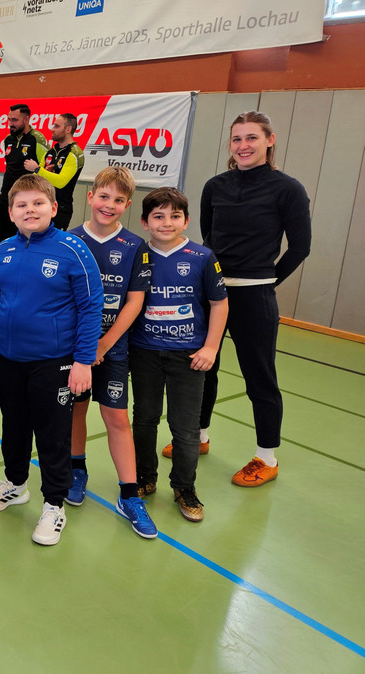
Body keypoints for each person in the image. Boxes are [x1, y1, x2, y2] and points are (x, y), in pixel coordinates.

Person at [0, 174, 102, 547]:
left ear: (54, 208)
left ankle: (54, 504)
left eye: (38, 203)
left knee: (52, 434)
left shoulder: (73, 250)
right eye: (22, 205)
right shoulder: (3, 251)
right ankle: (15, 483)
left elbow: (91, 306)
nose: (30, 210)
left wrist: (83, 361)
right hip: (6, 358)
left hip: (54, 361)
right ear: (11, 212)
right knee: (13, 425)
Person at [195, 111, 312, 488]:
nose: (243, 146)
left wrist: (265, 280)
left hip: (255, 296)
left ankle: (266, 457)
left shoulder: (288, 189)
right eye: (237, 139)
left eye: (252, 138)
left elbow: (300, 247)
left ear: (269, 140)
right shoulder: (215, 186)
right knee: (202, 368)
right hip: (212, 293)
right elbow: (209, 236)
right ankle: (198, 436)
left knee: (259, 377)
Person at [66, 167, 157, 539]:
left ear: (127, 205)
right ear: (91, 197)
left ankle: (129, 494)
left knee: (117, 418)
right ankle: (77, 470)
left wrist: (103, 344)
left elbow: (134, 302)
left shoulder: (136, 247)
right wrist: (84, 347)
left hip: (113, 349)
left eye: (118, 200)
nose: (109, 205)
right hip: (74, 349)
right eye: (104, 196)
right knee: (76, 409)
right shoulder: (69, 240)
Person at [132, 188, 228, 522]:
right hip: (144, 352)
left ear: (186, 221)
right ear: (145, 222)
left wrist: (211, 347)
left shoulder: (202, 257)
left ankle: (184, 487)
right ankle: (144, 477)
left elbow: (219, 304)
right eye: (158, 216)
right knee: (144, 418)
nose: (166, 223)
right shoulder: (137, 255)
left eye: (175, 216)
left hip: (189, 355)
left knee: (185, 428)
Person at [0, 104, 48, 242]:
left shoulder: (37, 139)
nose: (10, 124)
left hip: (26, 201)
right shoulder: (8, 139)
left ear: (26, 119)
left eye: (14, 120)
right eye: (9, 120)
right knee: (5, 240)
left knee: (26, 241)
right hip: (6, 197)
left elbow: (46, 171)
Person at [26, 113, 84, 230]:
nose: (52, 129)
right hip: (42, 206)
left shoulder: (74, 153)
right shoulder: (50, 152)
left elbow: (61, 182)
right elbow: (35, 178)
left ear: (68, 129)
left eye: (57, 126)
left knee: (52, 241)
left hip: (60, 209)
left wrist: (38, 169)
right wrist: (42, 172)